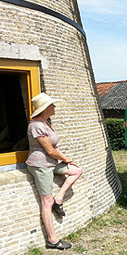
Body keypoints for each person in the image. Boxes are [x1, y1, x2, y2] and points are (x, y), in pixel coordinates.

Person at [26, 93, 83, 250]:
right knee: (46, 202)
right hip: (40, 165)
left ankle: (59, 199)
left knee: (77, 170)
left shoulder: (46, 122)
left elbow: (52, 152)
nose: (55, 107)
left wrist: (65, 162)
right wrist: (66, 159)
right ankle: (52, 240)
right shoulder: (35, 125)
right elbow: (50, 150)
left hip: (51, 163)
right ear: (44, 108)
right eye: (52, 105)